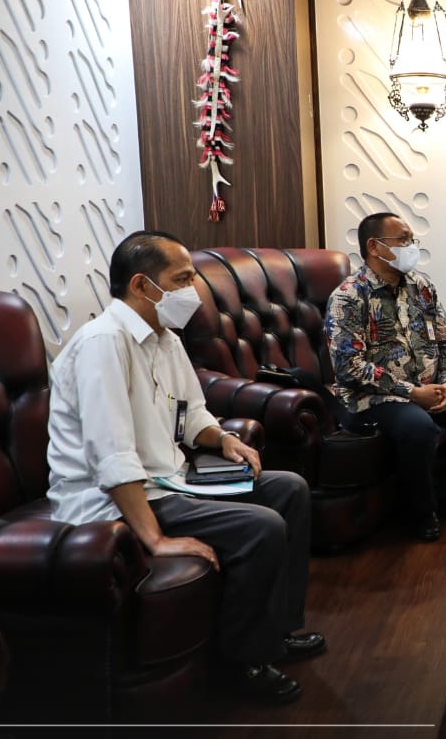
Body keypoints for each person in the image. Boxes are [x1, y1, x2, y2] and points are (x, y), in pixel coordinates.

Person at [46, 231, 325, 705]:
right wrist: (155, 539)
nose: (193, 290)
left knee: (290, 490)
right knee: (261, 527)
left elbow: (191, 413)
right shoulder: (102, 344)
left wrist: (224, 439)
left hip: (170, 482)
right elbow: (111, 455)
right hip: (114, 502)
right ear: (142, 284)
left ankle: (276, 631)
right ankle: (242, 662)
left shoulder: (165, 339)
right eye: (181, 279)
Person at [324, 212, 446, 542]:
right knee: (418, 427)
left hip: (429, 387)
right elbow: (349, 367)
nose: (411, 247)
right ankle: (422, 512)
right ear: (374, 247)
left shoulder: (421, 287)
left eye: (412, 240)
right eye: (403, 240)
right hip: (374, 398)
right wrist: (412, 393)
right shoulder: (348, 297)